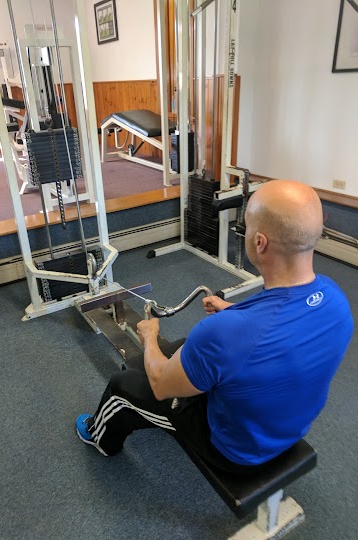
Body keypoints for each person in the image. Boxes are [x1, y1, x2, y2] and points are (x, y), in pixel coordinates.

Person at [75, 180, 353, 473]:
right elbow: (281, 326)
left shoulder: (226, 333)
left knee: (123, 384)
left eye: (246, 227)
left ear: (260, 243)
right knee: (192, 351)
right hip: (289, 428)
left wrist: (150, 337)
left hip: (234, 451)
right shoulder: (335, 299)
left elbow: (160, 385)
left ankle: (99, 437)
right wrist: (230, 308)